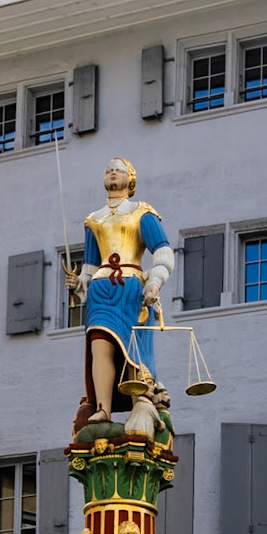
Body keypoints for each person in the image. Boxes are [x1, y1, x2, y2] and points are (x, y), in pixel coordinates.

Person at [66, 158, 174, 428]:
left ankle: (143, 399)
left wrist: (154, 282)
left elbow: (162, 251)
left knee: (132, 348)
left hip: (131, 287)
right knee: (99, 344)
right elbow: (90, 267)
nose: (112, 171)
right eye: (108, 169)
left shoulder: (141, 213)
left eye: (119, 169)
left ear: (131, 178)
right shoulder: (94, 220)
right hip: (101, 288)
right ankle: (103, 407)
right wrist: (79, 284)